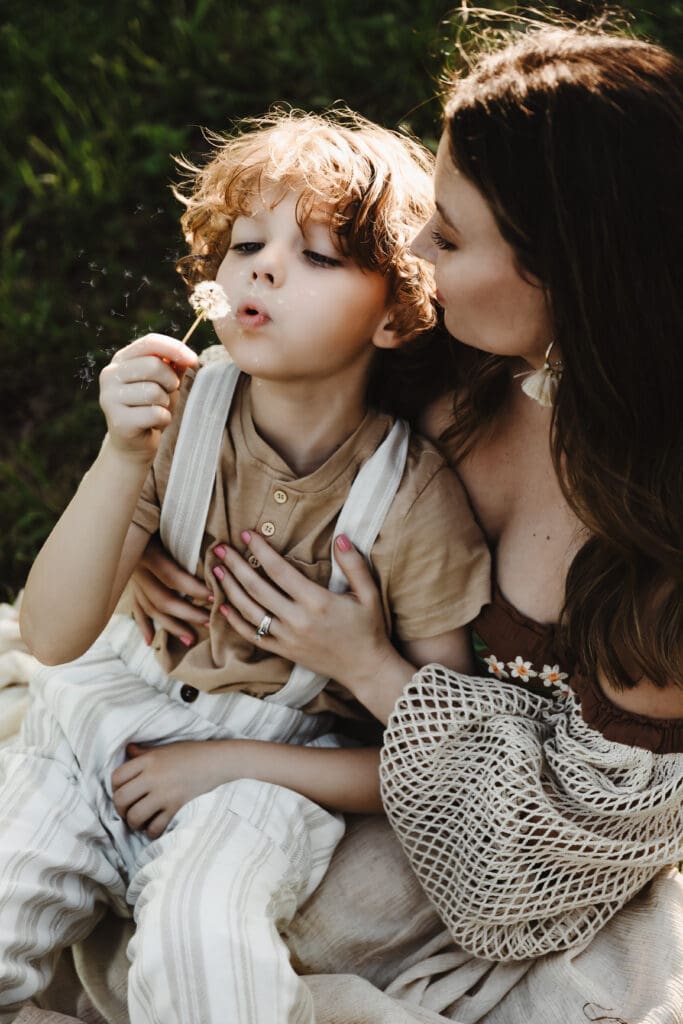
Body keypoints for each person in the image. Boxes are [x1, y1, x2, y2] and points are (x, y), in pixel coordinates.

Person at [124, 16, 683, 1024]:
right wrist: (155, 541)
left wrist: (367, 663)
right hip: (302, 729)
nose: (415, 246)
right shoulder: (439, 352)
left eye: (453, 236)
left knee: (255, 935)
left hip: (490, 856)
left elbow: (519, 878)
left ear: (568, 279)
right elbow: (257, 398)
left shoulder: (656, 543)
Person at [9, 109, 492, 1023]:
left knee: (207, 954)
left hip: (265, 780)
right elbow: (51, 634)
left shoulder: (411, 499)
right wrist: (119, 458)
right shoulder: (180, 416)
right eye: (245, 244)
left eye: (317, 257)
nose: (264, 267)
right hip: (88, 733)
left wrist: (227, 764)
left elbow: (435, 750)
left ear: (395, 314)